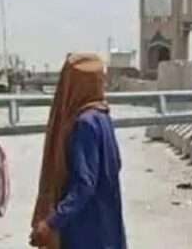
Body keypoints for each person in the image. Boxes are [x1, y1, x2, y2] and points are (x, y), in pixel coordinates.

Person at [29, 53, 126, 249]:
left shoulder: (84, 124)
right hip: (107, 228)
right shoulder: (103, 117)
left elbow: (84, 185)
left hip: (86, 233)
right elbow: (116, 163)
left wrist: (51, 222)